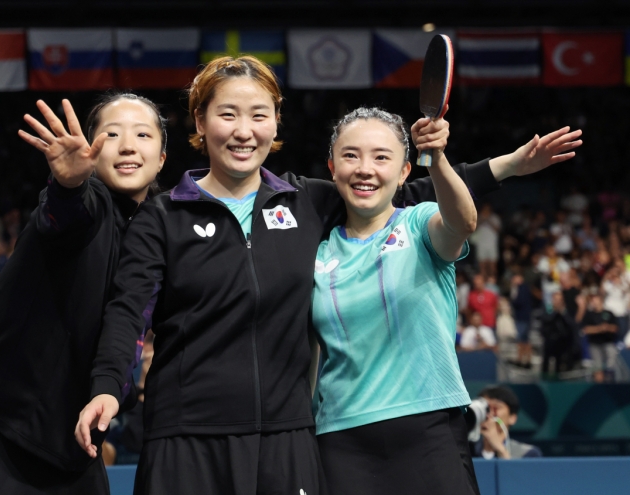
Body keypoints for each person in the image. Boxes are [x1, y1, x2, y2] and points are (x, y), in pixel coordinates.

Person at [75, 55, 582, 494]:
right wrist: (106, 388)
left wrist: (508, 166)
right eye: (227, 114)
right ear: (201, 122)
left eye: (259, 114)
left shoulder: (308, 201)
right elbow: (128, 311)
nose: (243, 130)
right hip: (186, 438)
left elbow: (397, 190)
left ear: (276, 123)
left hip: (287, 439)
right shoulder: (162, 218)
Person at [0, 93, 167, 495]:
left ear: (161, 157)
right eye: (111, 134)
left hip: (75, 445)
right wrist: (68, 184)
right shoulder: (88, 206)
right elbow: (64, 215)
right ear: (91, 148)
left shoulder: (157, 234)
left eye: (143, 134)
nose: (128, 144)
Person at [311, 106, 482, 494]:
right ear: (332, 167)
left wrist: (436, 159)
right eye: (350, 155)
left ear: (405, 171)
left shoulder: (420, 223)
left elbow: (462, 222)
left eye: (381, 157)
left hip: (428, 427)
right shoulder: (317, 253)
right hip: (341, 437)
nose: (364, 169)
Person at [473, 385, 542, 459]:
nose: (490, 414)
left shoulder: (527, 453)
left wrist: (500, 449)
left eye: (496, 408)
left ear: (512, 418)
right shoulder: (466, 451)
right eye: (486, 408)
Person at [581, 293, 619, 382]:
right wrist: (599, 328)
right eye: (592, 300)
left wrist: (607, 328)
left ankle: (610, 381)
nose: (593, 302)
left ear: (601, 301)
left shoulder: (609, 313)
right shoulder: (589, 315)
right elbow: (586, 329)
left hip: (607, 342)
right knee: (598, 368)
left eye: (595, 300)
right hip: (594, 344)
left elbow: (615, 328)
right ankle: (599, 385)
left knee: (611, 361)